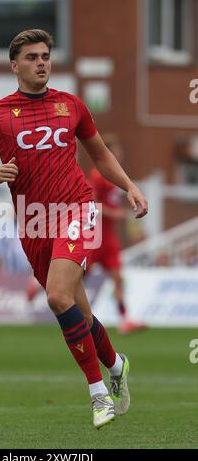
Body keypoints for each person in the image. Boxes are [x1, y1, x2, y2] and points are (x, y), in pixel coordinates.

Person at [0, 29, 148, 429]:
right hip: (32, 222)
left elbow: (99, 155)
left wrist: (129, 186)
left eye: (45, 55)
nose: (41, 62)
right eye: (32, 57)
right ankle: (116, 365)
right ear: (15, 66)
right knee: (78, 311)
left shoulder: (70, 105)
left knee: (58, 298)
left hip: (78, 210)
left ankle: (98, 394)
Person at [88, 135, 147, 334]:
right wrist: (115, 213)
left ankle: (124, 320)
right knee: (78, 277)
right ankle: (41, 286)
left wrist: (131, 225)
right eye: (117, 151)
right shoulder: (97, 175)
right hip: (94, 237)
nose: (120, 155)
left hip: (109, 238)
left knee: (118, 278)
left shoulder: (114, 177)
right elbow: (92, 204)